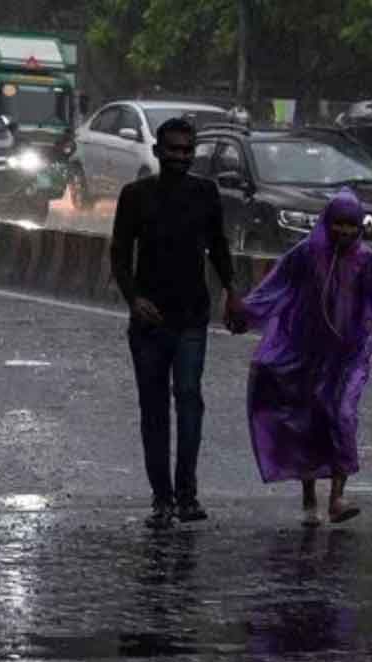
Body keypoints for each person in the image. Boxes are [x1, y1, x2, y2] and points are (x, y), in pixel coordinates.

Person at [233, 187, 372, 527]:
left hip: (349, 354)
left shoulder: (366, 261)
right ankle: (309, 496)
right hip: (306, 351)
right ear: (327, 222)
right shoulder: (305, 255)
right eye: (338, 223)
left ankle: (337, 497)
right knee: (308, 419)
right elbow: (275, 287)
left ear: (360, 227)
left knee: (342, 414)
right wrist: (245, 315)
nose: (344, 231)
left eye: (351, 224)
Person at [111, 117, 244, 529]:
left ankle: (187, 495)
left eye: (187, 151)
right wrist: (134, 300)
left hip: (192, 317)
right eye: (173, 150)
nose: (180, 158)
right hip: (150, 323)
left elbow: (218, 247)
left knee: (189, 401)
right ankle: (161, 499)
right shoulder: (135, 195)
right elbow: (119, 255)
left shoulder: (205, 194)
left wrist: (232, 291)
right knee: (154, 410)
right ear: (157, 151)